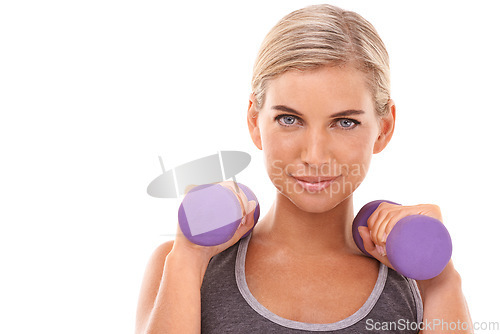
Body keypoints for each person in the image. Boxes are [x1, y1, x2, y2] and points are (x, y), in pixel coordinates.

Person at [135, 4, 472, 333]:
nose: (314, 155)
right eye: (289, 119)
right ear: (255, 121)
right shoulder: (182, 262)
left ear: (384, 128)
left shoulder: (420, 283)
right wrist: (189, 258)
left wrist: (440, 278)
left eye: (344, 122)